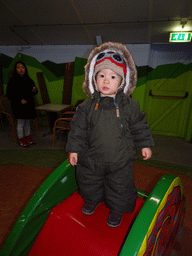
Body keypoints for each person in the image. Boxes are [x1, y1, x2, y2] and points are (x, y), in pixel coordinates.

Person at [66, 42, 154, 227]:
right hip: (91, 159)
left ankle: (117, 209)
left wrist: (145, 144)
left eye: (113, 76)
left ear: (122, 82)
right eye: (101, 75)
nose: (106, 80)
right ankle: (92, 200)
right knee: (89, 182)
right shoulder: (86, 107)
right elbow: (78, 130)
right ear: (94, 79)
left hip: (120, 160)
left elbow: (139, 125)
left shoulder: (130, 106)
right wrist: (74, 149)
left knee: (120, 186)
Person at [6, 61, 38, 147]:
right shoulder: (12, 81)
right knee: (21, 123)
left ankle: (28, 137)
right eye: (18, 67)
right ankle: (22, 139)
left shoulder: (29, 79)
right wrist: (20, 100)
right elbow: (9, 94)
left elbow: (33, 92)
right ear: (15, 69)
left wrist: (34, 90)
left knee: (27, 122)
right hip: (18, 106)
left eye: (22, 67)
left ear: (25, 69)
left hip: (28, 105)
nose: (21, 69)